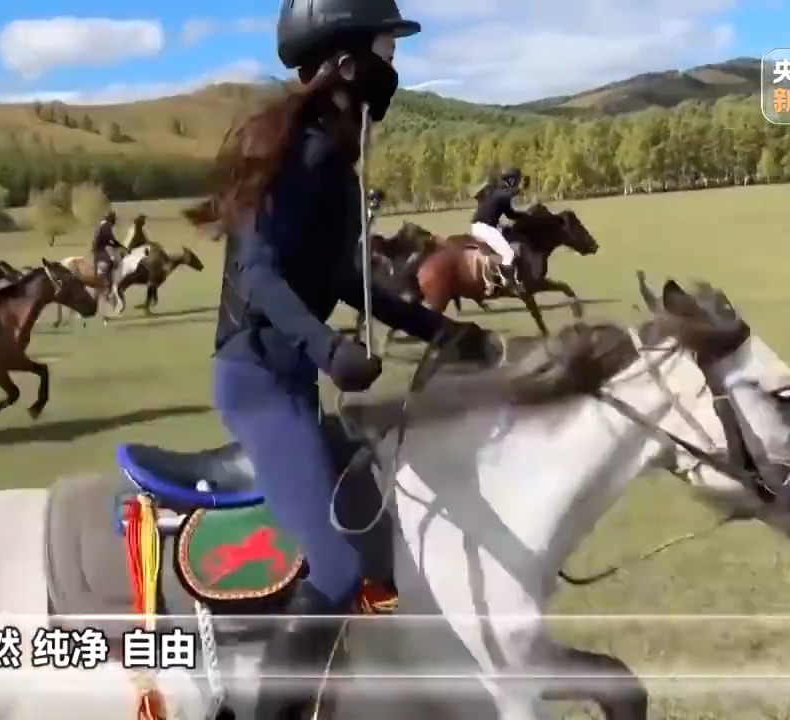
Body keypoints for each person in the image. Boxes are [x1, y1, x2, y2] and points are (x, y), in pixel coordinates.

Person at [183, 0, 498, 714]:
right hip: (257, 380)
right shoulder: (298, 157)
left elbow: (339, 279)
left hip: (289, 378)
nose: (394, 69)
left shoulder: (329, 161)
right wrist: (329, 349)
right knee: (333, 566)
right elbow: (259, 275)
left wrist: (439, 331)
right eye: (388, 53)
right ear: (350, 65)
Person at [469, 167, 528, 295]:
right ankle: (508, 282)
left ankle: (491, 279)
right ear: (512, 180)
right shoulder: (502, 194)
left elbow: (510, 213)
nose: (518, 182)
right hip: (485, 228)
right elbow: (509, 207)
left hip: (478, 226)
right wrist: (520, 193)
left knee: (504, 235)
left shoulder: (493, 190)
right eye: (517, 180)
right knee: (509, 254)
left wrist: (524, 214)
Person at [91, 210, 124, 282]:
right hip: (101, 249)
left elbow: (108, 240)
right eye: (114, 219)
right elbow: (111, 239)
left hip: (98, 247)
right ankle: (107, 279)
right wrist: (120, 246)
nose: (115, 221)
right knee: (112, 260)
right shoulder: (107, 226)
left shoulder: (101, 225)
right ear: (111, 219)